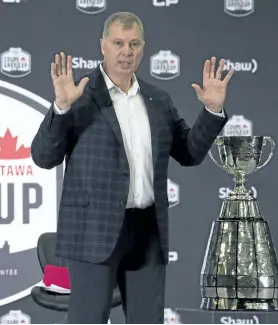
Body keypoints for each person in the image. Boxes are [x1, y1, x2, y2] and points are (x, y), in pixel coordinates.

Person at [31, 11, 234, 324]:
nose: (126, 51)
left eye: (134, 44)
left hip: (147, 232)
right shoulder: (78, 96)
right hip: (92, 232)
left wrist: (212, 109)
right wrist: (61, 107)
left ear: (143, 49)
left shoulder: (158, 99)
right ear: (103, 46)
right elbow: (44, 157)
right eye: (118, 42)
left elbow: (190, 153)